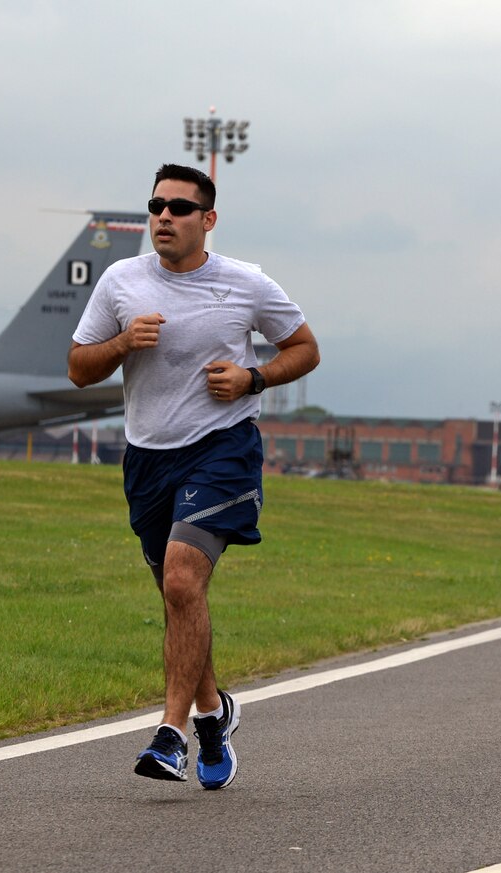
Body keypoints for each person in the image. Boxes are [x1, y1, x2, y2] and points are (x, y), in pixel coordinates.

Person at [68, 164, 321, 787]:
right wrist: (123, 344)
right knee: (181, 597)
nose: (163, 217)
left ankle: (169, 736)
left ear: (207, 220)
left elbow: (305, 348)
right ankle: (214, 714)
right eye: (156, 206)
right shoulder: (121, 281)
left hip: (222, 449)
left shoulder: (245, 284)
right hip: (147, 457)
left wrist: (253, 377)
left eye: (179, 208)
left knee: (182, 577)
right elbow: (78, 368)